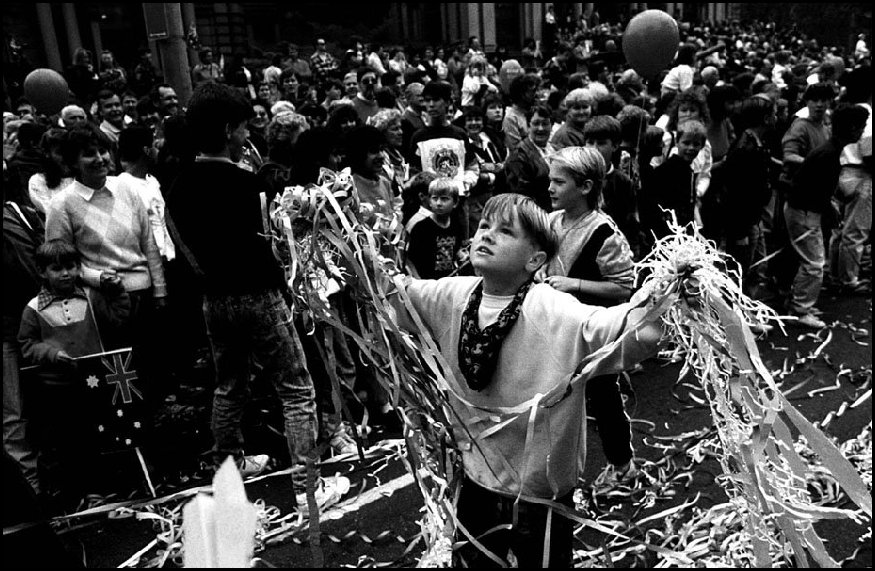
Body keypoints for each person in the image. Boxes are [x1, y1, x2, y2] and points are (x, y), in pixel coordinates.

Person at [391, 192, 665, 567]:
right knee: (474, 561)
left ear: (535, 260)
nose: (486, 235)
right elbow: (392, 295)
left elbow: (615, 330)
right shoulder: (452, 295)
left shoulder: (553, 309)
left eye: (505, 231)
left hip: (540, 490)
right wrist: (346, 246)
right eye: (484, 225)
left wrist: (667, 299)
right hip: (476, 479)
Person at [165, 82, 347, 511]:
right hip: (258, 294)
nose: (249, 136)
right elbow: (269, 246)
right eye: (244, 127)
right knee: (297, 387)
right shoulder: (245, 184)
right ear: (229, 129)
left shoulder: (177, 185)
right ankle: (308, 489)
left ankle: (227, 466)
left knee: (229, 385)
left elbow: (182, 247)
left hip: (214, 298)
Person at [540, 146, 640, 492]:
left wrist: (575, 283)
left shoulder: (603, 232)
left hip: (590, 330)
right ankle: (550, 468)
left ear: (584, 187)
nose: (550, 188)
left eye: (558, 181)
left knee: (602, 396)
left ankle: (622, 465)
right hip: (554, 326)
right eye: (550, 180)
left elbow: (623, 287)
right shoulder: (552, 222)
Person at [18, 239, 130, 507]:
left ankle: (104, 487)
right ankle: (80, 492)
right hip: (58, 387)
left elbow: (118, 319)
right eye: (57, 269)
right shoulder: (34, 309)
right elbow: (27, 345)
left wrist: (118, 292)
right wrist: (52, 354)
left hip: (95, 382)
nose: (66, 274)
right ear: (43, 272)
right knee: (70, 440)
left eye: (71, 266)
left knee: (99, 432)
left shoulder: (90, 298)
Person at [784, 104, 869, 329]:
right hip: (803, 212)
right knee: (813, 263)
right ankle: (800, 309)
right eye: (860, 127)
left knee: (810, 260)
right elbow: (814, 190)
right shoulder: (829, 155)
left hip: (804, 210)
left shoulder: (831, 151)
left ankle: (802, 302)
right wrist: (830, 207)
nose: (862, 132)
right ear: (851, 129)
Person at [3, 188, 45, 497]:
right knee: (11, 416)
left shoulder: (20, 213)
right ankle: (29, 493)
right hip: (4, 331)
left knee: (51, 402)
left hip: (40, 320)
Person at [409, 81, 480, 237]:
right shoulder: (419, 137)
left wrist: (464, 185)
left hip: (458, 204)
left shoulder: (459, 135)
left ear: (448, 102)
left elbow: (472, 167)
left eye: (436, 100)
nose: (431, 105)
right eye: (427, 100)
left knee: (461, 245)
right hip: (431, 207)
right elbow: (414, 174)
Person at [833, 66, 872, 294]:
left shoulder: (849, 109)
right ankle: (849, 280)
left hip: (845, 170)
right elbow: (868, 152)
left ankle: (837, 273)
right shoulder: (866, 113)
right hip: (861, 173)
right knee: (856, 230)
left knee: (842, 230)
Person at [583, 116, 638, 255]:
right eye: (590, 142)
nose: (594, 149)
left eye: (601, 143)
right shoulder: (576, 177)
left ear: (615, 145)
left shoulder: (623, 183)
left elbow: (630, 224)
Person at [652, 120, 708, 235]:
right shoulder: (666, 171)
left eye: (696, 144)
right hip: (670, 231)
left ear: (702, 146)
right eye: (686, 143)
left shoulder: (689, 170)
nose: (691, 148)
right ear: (677, 142)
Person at [406, 177, 465, 279]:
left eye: (444, 199)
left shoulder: (457, 226)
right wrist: (419, 282)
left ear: (455, 202)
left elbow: (455, 251)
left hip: (447, 282)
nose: (438, 203)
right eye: (434, 198)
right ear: (429, 201)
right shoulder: (421, 228)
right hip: (426, 284)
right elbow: (409, 260)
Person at [504, 104, 554, 212]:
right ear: (528, 126)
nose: (541, 128)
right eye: (536, 124)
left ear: (551, 126)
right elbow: (522, 199)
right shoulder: (519, 156)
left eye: (545, 124)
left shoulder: (556, 149)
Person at [28, 128, 74, 216]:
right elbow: (52, 212)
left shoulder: (83, 175)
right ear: (47, 153)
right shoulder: (38, 181)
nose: (66, 156)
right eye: (60, 152)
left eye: (68, 151)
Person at [503, 74, 539, 152]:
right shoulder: (511, 118)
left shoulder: (533, 111)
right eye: (532, 91)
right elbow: (517, 150)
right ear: (521, 94)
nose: (536, 95)